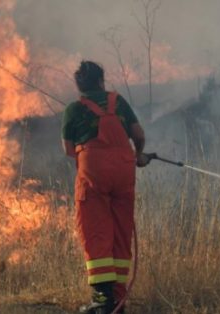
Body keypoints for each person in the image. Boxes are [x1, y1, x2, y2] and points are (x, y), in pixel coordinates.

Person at [62, 61, 150, 314]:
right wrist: (139, 155)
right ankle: (119, 301)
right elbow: (139, 135)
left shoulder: (73, 109)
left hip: (94, 174)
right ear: (101, 81)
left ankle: (103, 302)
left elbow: (68, 150)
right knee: (122, 232)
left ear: (79, 86)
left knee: (96, 230)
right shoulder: (118, 102)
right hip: (124, 171)